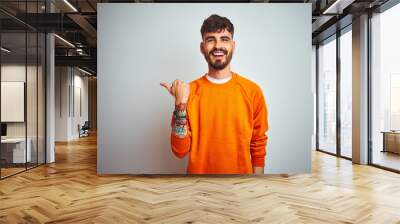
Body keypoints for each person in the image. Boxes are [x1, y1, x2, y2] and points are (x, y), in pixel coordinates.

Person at [160, 14, 268, 174]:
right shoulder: (188, 92)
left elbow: (258, 143)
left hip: (240, 187)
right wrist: (180, 105)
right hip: (199, 189)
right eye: (211, 39)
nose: (218, 45)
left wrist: (257, 185)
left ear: (233, 45)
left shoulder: (252, 91)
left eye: (224, 39)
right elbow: (179, 151)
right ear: (202, 47)